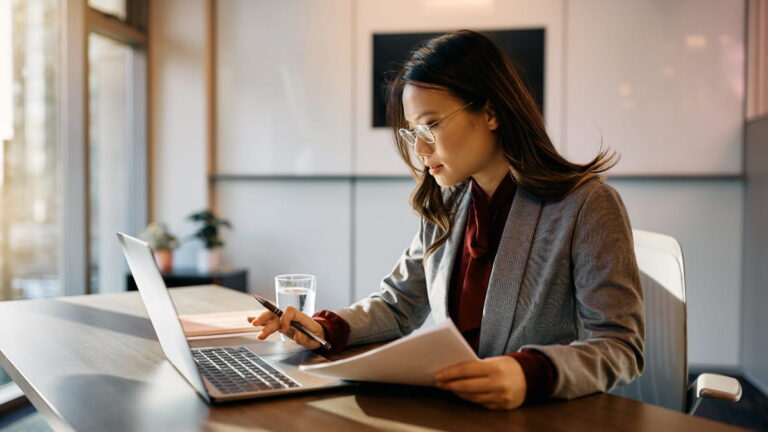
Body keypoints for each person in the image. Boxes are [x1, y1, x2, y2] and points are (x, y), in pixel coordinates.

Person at [248, 29, 644, 411]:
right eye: (412, 132)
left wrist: (528, 373)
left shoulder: (587, 205)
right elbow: (398, 305)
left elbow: (619, 345)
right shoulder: (449, 202)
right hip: (460, 411)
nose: (419, 148)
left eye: (432, 125)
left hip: (544, 415)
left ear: (490, 112)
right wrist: (321, 329)